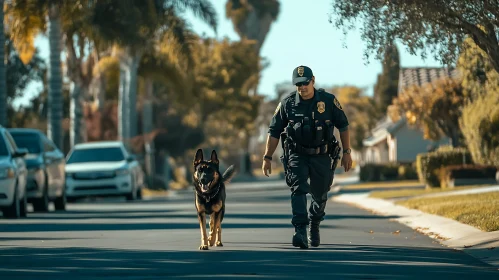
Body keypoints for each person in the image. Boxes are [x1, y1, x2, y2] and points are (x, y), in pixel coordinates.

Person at [262, 65, 352, 249]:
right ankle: (300, 231)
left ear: (313, 81)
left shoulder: (327, 101)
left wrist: (347, 152)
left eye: (305, 83)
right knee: (298, 189)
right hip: (297, 154)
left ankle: (314, 223)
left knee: (320, 195)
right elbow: (274, 131)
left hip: (322, 154)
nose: (302, 87)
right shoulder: (288, 104)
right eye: (298, 84)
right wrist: (267, 157)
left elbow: (343, 126)